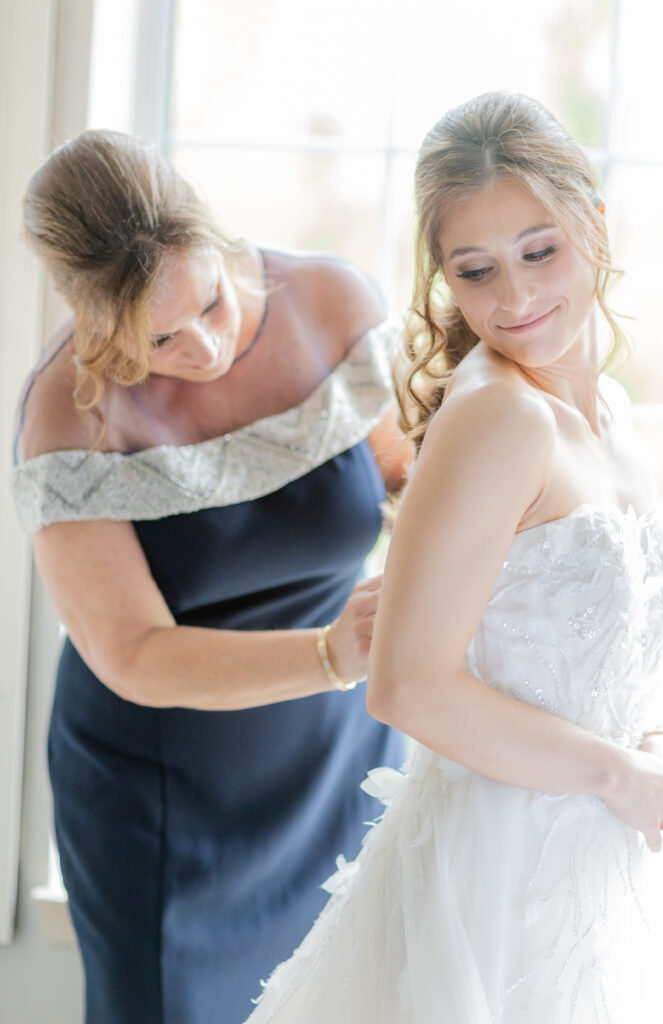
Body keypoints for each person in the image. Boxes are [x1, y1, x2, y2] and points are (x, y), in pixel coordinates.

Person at [243, 92, 663, 1023]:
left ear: (593, 226)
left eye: (539, 251)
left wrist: (650, 743)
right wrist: (617, 773)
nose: (515, 299)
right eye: (475, 270)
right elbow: (406, 686)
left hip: (606, 861)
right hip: (503, 873)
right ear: (443, 276)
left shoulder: (612, 414)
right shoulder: (497, 416)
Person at [11, 129, 414, 1024]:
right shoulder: (64, 411)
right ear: (89, 318)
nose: (204, 346)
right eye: (158, 339)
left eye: (214, 304)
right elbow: (131, 651)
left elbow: (398, 477)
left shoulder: (331, 302)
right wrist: (324, 653)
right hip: (163, 790)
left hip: (335, 755)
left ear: (219, 240)